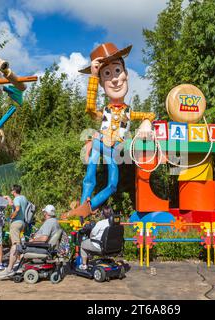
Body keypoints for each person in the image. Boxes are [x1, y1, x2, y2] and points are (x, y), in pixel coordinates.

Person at [63, 43, 155, 219]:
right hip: (100, 143)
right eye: (107, 74)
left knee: (113, 184)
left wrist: (145, 124)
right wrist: (93, 76)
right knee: (90, 177)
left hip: (114, 149)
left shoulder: (129, 112)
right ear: (102, 82)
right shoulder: (105, 109)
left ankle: (87, 207)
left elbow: (150, 114)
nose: (114, 79)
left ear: (126, 74)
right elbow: (90, 108)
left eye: (117, 71)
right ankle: (82, 208)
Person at [0, 205, 61, 279]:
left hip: (43, 248)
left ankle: (9, 269)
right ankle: (18, 266)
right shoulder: (55, 221)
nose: (43, 214)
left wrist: (33, 240)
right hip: (47, 247)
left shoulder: (49, 222)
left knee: (15, 247)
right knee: (22, 245)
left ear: (46, 213)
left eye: (44, 212)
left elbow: (44, 238)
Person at [0, 185, 27, 278]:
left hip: (16, 223)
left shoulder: (16, 200)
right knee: (19, 243)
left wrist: (12, 216)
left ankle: (11, 268)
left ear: (14, 191)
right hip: (23, 222)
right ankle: (20, 262)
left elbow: (17, 208)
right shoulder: (23, 198)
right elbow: (14, 204)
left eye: (11, 190)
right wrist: (8, 198)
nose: (11, 191)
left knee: (15, 245)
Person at [78, 205, 113, 270]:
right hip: (112, 247)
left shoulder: (100, 223)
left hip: (100, 246)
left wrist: (90, 237)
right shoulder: (115, 223)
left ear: (103, 213)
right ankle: (93, 256)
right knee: (90, 242)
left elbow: (92, 234)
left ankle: (84, 265)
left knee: (83, 244)